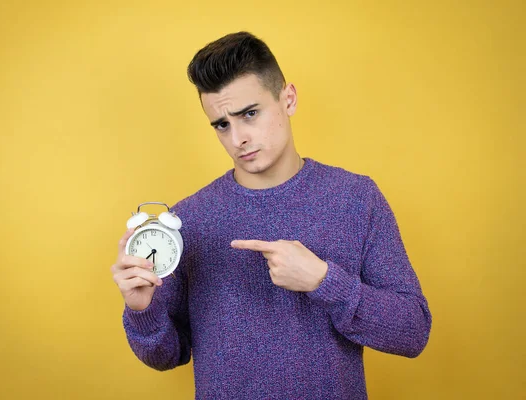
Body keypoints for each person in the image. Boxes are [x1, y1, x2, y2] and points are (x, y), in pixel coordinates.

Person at [111, 31, 432, 399]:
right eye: (222, 124)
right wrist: (140, 310)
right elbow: (167, 356)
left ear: (288, 99)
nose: (238, 139)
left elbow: (412, 332)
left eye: (250, 114)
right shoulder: (188, 221)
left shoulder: (356, 198)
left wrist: (324, 281)